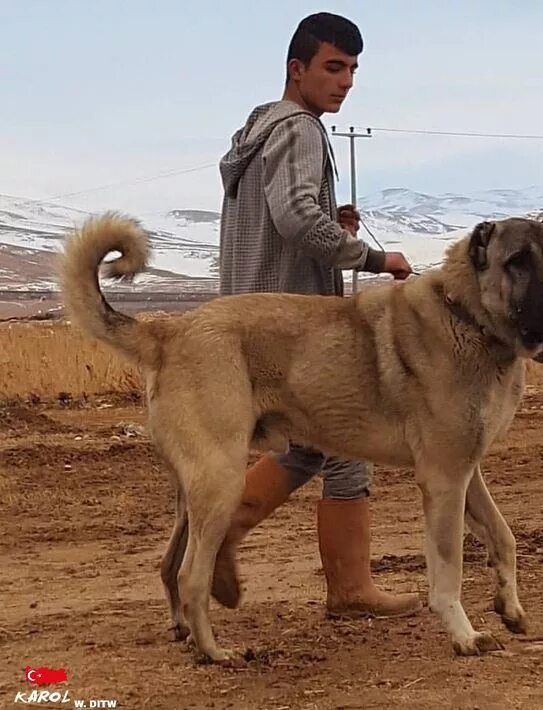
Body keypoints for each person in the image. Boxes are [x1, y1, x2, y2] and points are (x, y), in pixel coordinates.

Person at [215, 12, 420, 618]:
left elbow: (287, 219)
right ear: (296, 69)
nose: (347, 81)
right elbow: (298, 218)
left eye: (354, 69)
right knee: (351, 437)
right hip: (296, 329)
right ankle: (350, 590)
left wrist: (337, 224)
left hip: (253, 322)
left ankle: (219, 533)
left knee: (310, 448)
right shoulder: (301, 129)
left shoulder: (257, 134)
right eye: (334, 67)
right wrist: (376, 257)